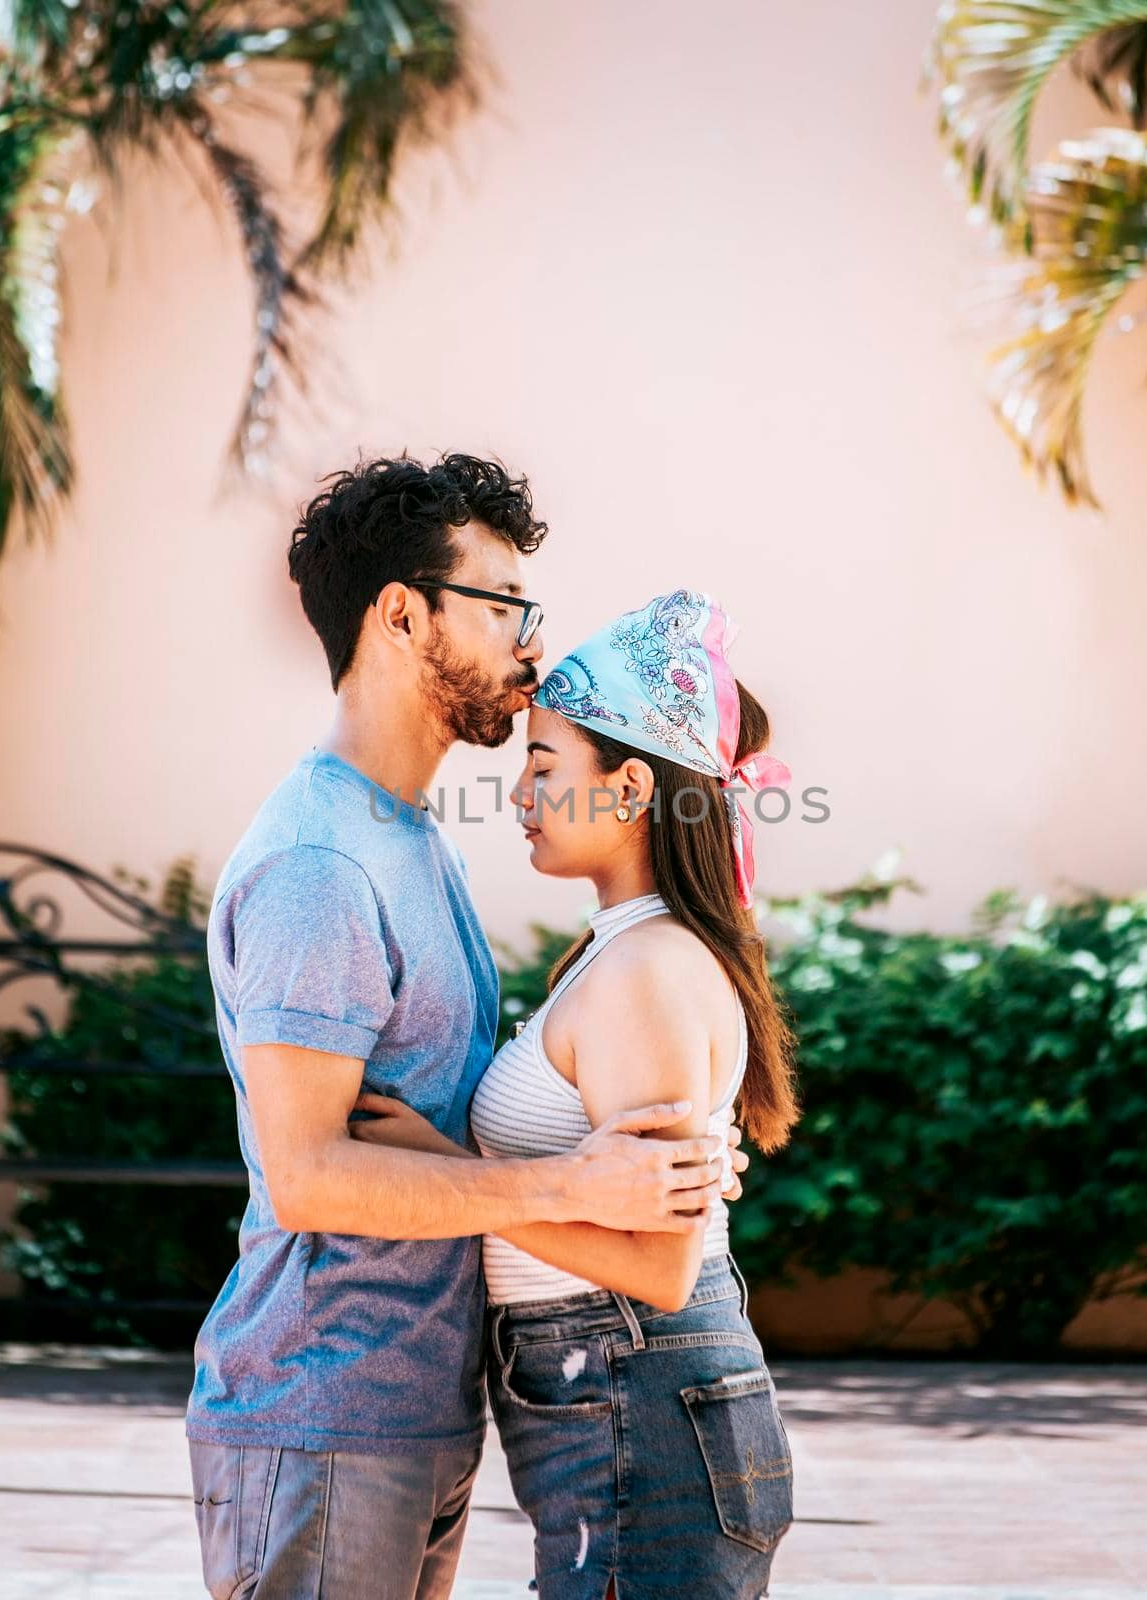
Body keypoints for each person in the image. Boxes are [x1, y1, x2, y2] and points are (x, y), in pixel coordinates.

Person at [184, 457, 748, 1600]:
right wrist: (577, 1187)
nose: (530, 647)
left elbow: (460, 1103)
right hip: (321, 1410)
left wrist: (669, 1153)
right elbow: (306, 1176)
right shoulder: (320, 862)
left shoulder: (409, 841)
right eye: (504, 608)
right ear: (403, 613)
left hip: (418, 1414)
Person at [353, 588, 800, 1598]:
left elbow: (660, 1263)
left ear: (630, 785)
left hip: (635, 1386)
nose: (519, 796)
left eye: (543, 767)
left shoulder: (646, 970)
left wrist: (446, 1169)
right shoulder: (618, 954)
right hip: (619, 1393)